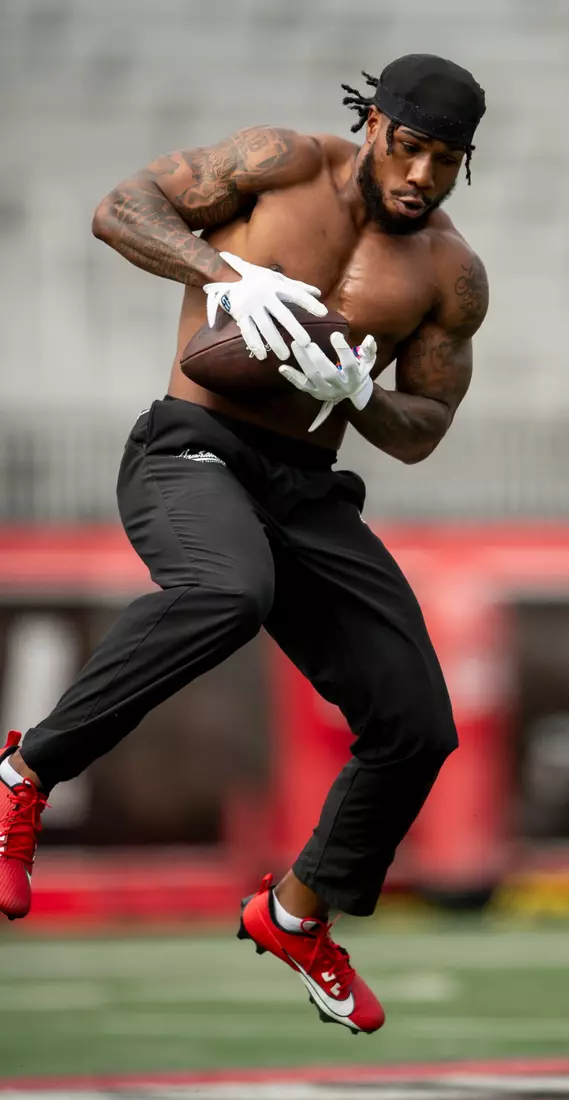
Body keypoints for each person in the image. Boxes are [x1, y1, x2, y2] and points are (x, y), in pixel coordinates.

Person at [0, 54, 488, 1033]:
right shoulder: (276, 164)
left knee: (419, 723)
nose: (422, 174)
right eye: (412, 145)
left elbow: (425, 422)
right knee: (230, 591)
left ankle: (295, 912)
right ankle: (22, 774)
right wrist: (226, 278)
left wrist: (360, 392)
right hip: (195, 449)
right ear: (374, 122)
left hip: (307, 486)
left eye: (447, 159)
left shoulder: (448, 271)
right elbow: (121, 206)